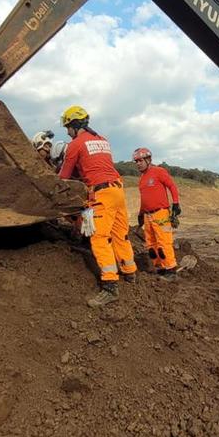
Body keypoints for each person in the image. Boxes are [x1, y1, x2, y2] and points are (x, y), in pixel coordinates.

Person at [57, 105, 137, 307]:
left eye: (67, 127)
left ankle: (110, 285)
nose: (67, 132)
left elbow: (64, 177)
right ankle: (130, 273)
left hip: (101, 193)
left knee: (100, 238)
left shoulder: (76, 144)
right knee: (121, 234)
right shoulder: (102, 140)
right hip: (118, 190)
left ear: (74, 125)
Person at [134, 147, 182, 277]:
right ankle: (160, 267)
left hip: (161, 214)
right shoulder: (142, 179)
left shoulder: (158, 171)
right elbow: (145, 199)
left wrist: (176, 203)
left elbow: (172, 186)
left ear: (148, 159)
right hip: (147, 215)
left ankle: (171, 269)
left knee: (163, 242)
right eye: (136, 161)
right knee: (151, 244)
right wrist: (140, 214)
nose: (138, 163)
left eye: (140, 160)